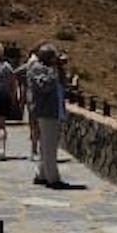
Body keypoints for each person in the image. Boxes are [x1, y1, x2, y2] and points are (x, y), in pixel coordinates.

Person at [27, 43, 71, 188]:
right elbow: (44, 86)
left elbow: (63, 83)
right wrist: (53, 70)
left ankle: (42, 174)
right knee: (49, 147)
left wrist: (59, 69)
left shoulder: (52, 69)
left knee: (47, 145)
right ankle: (53, 178)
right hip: (46, 111)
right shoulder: (37, 68)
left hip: (54, 111)